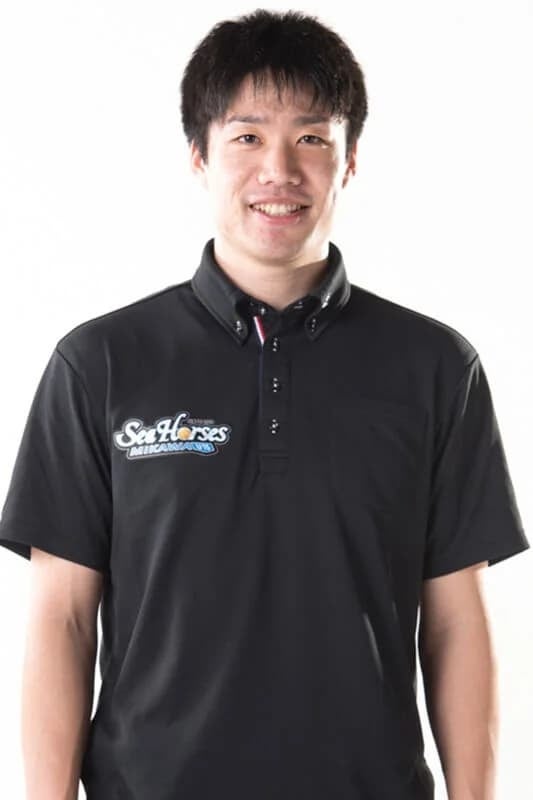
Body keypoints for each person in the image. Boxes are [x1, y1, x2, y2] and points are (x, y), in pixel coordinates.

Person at [0, 8, 529, 800]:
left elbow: (455, 622)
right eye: (246, 136)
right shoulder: (102, 362)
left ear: (349, 160)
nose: (278, 169)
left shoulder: (434, 367)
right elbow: (63, 620)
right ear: (199, 156)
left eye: (310, 138)